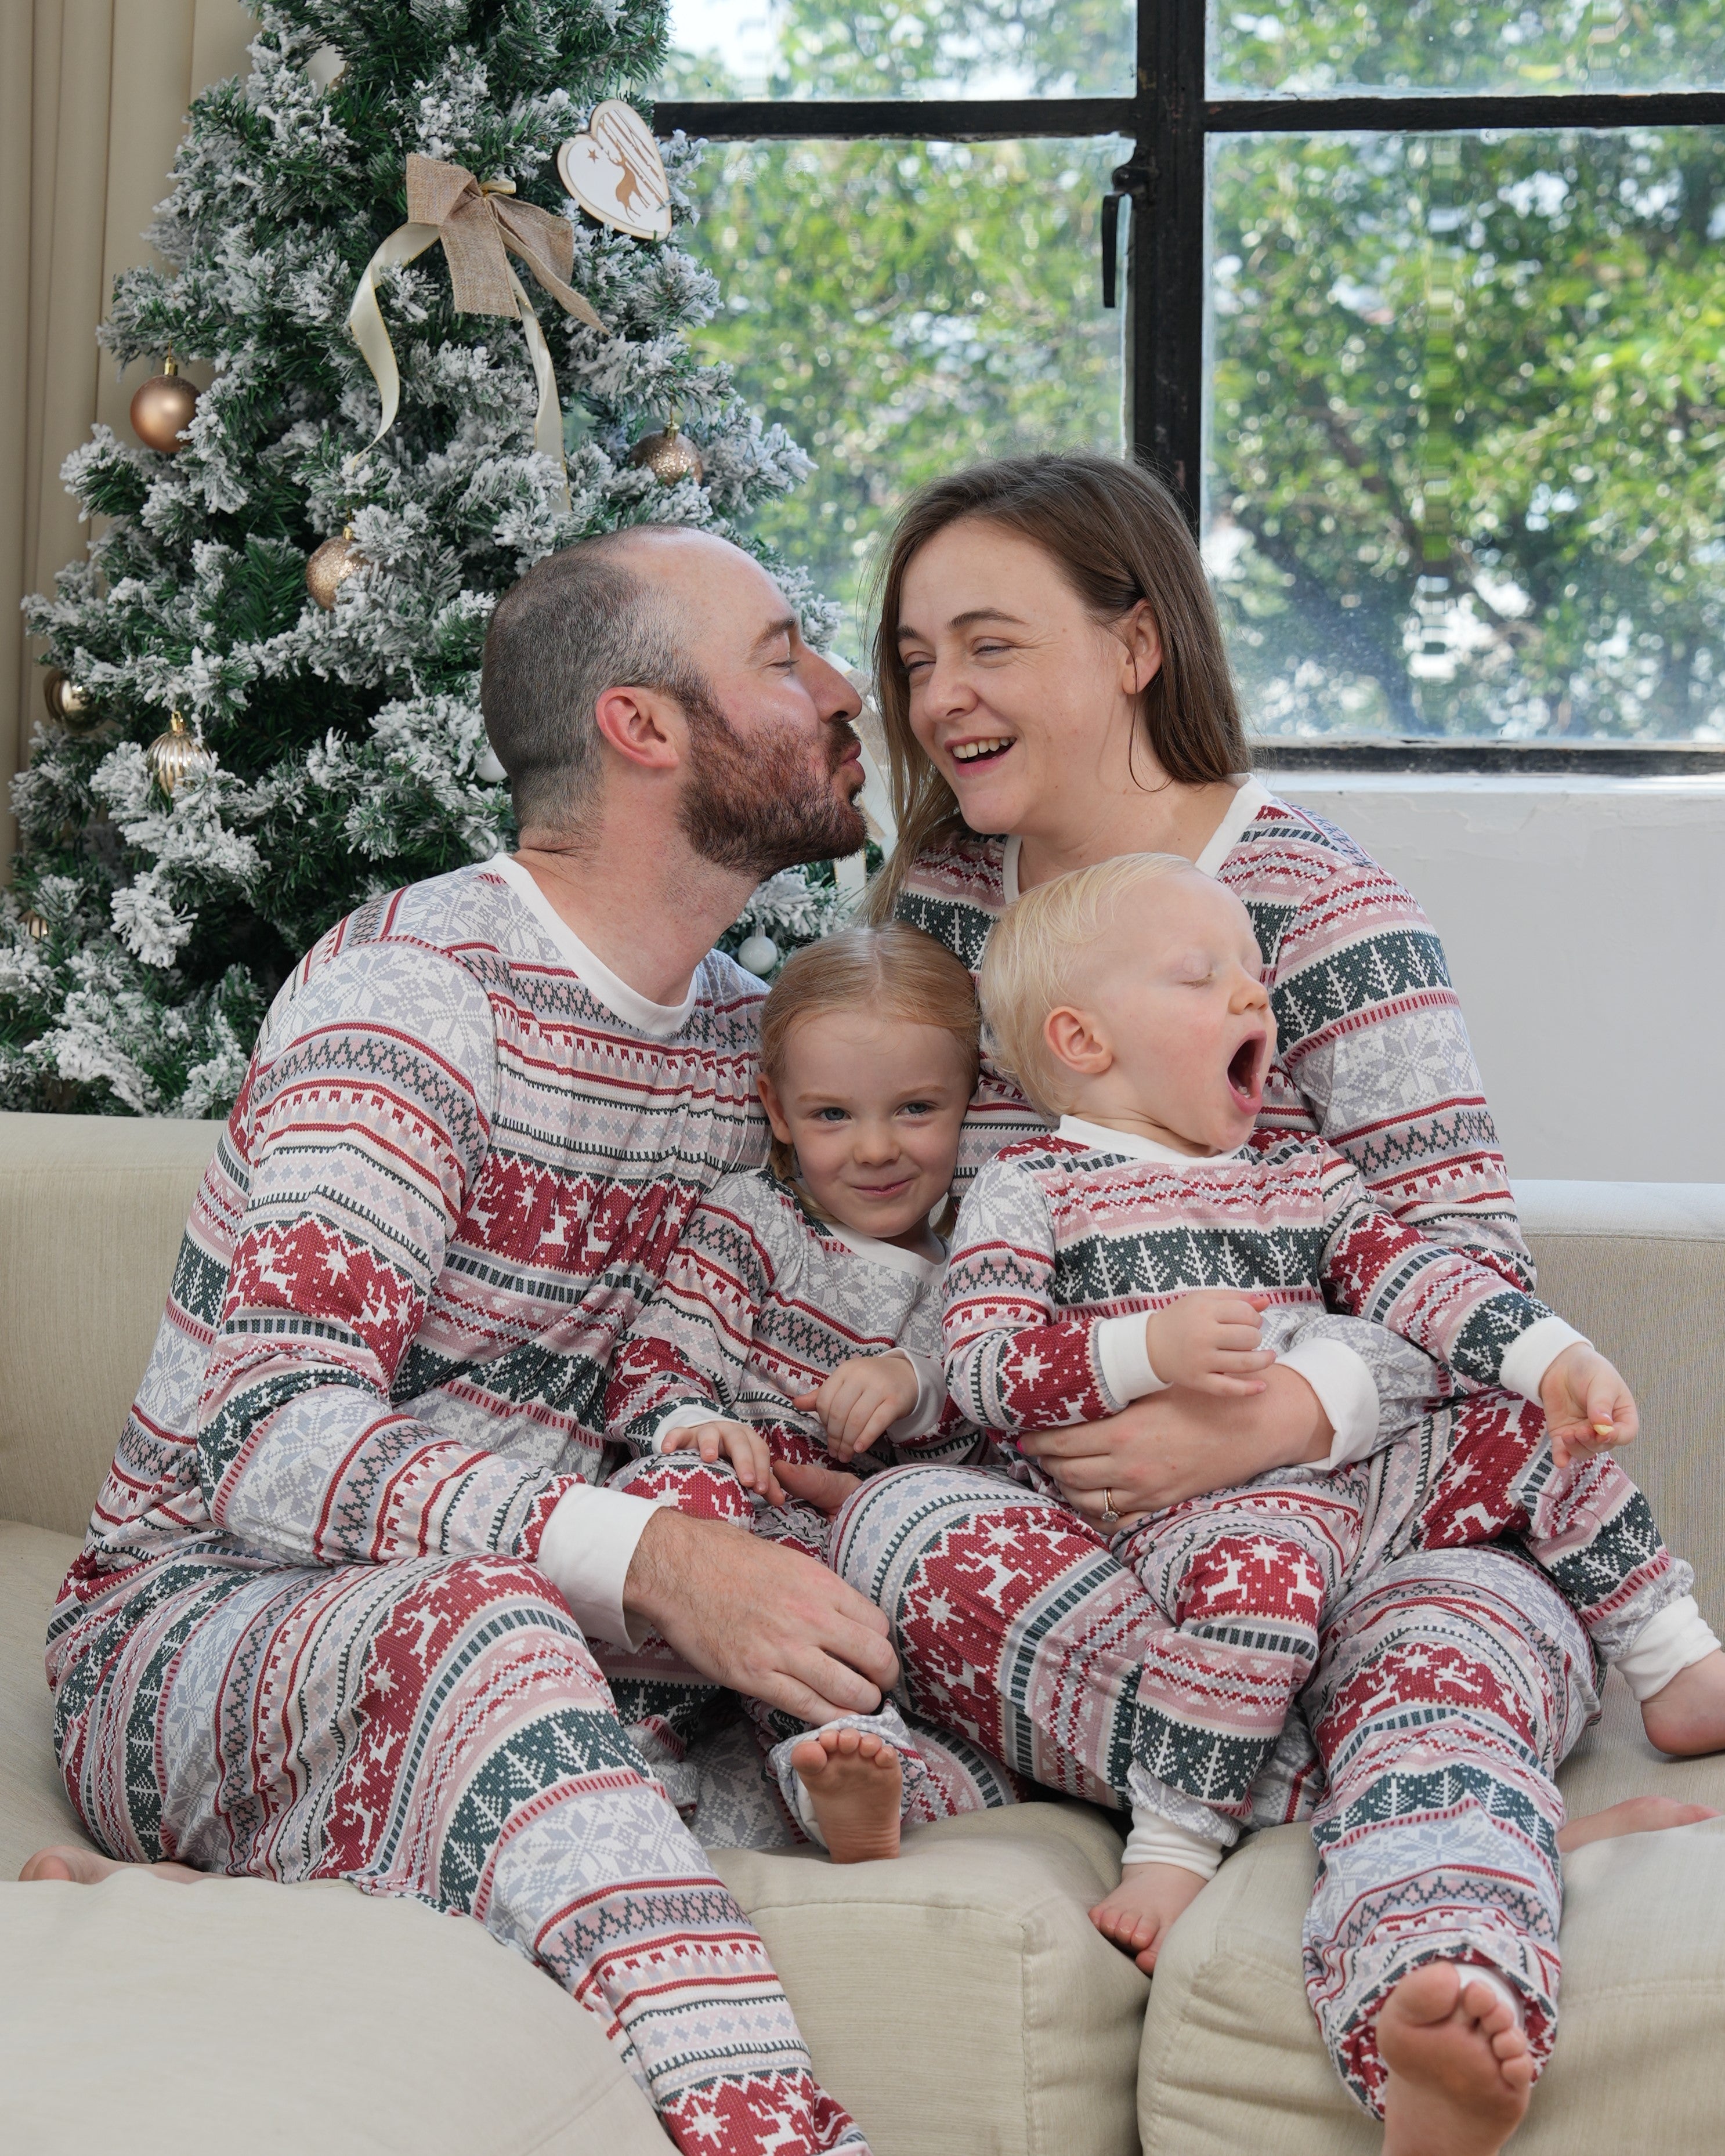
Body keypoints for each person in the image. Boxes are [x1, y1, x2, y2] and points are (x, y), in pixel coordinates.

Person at [834, 450, 1721, 2154]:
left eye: (988, 644)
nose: (938, 695)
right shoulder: (934, 914)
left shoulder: (1317, 907)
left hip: (1373, 1521)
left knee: (1448, 1637)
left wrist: (1272, 1414)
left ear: (1132, 643)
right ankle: (1379, 1771)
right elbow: (901, 1238)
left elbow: (1463, 1270)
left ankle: (1430, 1982)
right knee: (890, 1540)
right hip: (1087, 1543)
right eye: (912, 657)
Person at [24, 525, 899, 2156]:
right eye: (784, 655)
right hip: (206, 1621)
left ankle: (257, 1907)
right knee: (494, 1635)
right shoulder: (417, 994)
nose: (842, 689)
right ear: (644, 726)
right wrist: (657, 1561)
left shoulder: (745, 1043)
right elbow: (268, 1436)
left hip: (538, 1624)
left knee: (868, 1655)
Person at [949, 848, 1723, 1974]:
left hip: (1355, 1492)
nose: (1251, 993)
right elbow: (978, 1364)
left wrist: (1552, 1358)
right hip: (1183, 1520)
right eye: (1198, 974)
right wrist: (1135, 1349)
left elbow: (1418, 1280)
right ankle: (1174, 1841)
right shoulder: (1035, 1188)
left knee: (1522, 1437)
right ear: (1081, 1042)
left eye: (1251, 972)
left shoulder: (1300, 1172)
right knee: (1260, 1575)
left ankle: (1674, 1664)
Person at [605, 921, 995, 1861]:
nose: (873, 1150)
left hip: (853, 1576)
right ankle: (623, 1762)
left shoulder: (977, 1274)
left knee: (945, 1639)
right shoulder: (757, 1222)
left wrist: (915, 1387)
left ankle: (855, 1777)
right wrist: (701, 1427)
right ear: (776, 1111)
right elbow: (655, 1369)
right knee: (670, 1500)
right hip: (733, 1535)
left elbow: (984, 1463)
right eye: (831, 1116)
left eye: (914, 1109)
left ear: (969, 1103)